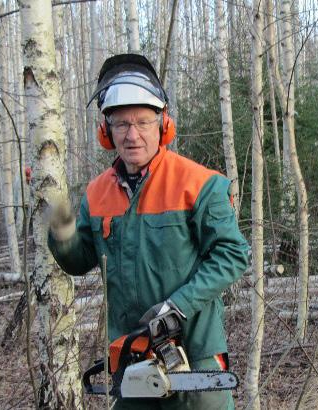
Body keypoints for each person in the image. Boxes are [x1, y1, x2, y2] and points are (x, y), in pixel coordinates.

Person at [47, 54, 249, 410]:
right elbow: (78, 261)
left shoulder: (199, 184)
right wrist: (60, 227)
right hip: (132, 355)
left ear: (163, 124)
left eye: (142, 121)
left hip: (194, 356)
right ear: (106, 130)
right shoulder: (96, 194)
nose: (133, 134)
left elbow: (233, 254)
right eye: (122, 123)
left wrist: (178, 307)